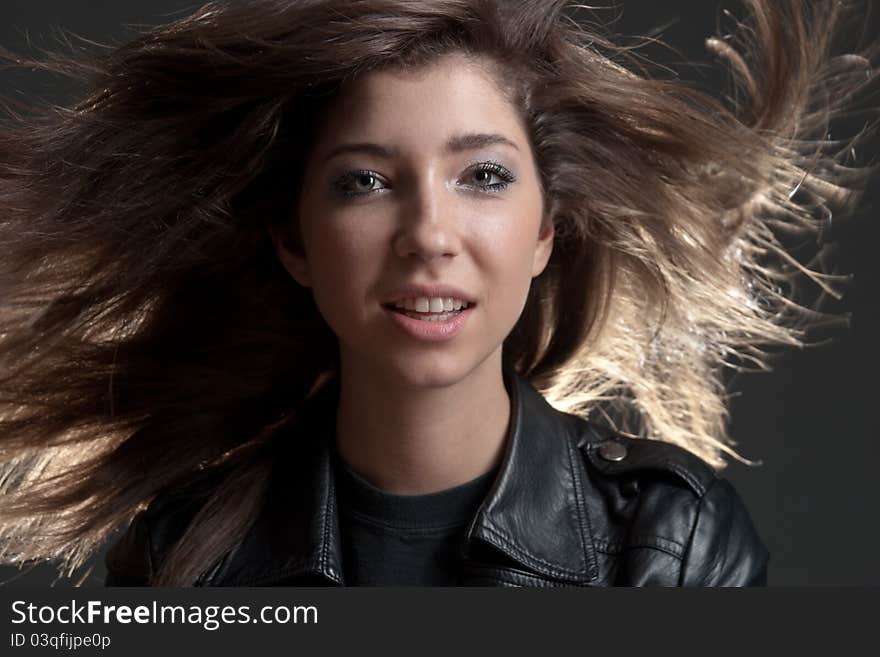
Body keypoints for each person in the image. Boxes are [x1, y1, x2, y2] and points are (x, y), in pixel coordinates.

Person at [0, 0, 874, 587]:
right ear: (294, 241)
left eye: (483, 175)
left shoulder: (669, 548)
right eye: (365, 182)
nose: (428, 233)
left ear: (544, 233)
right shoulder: (185, 555)